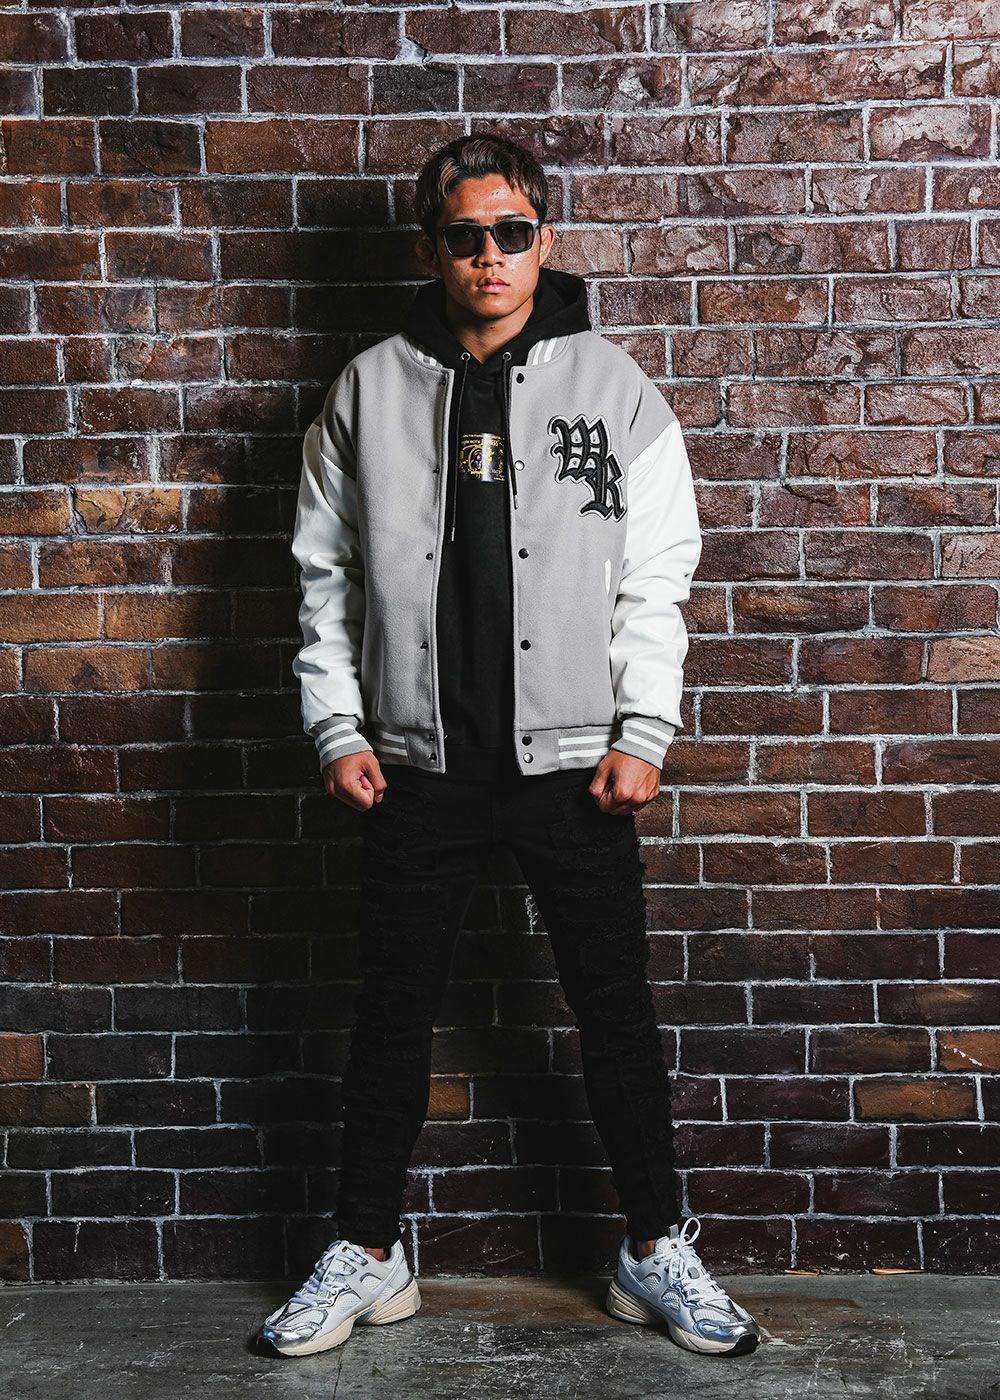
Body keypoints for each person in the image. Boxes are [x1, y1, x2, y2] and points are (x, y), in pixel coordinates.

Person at [262, 134, 760, 1361]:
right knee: (390, 1015)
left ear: (545, 238)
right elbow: (322, 577)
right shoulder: (364, 389)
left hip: (576, 765)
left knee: (613, 1011)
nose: (489, 256)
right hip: (415, 762)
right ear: (431, 248)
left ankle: (654, 1244)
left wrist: (645, 726)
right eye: (465, 235)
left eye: (513, 232)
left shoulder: (616, 387)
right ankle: (367, 1250)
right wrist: (336, 721)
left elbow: (658, 574)